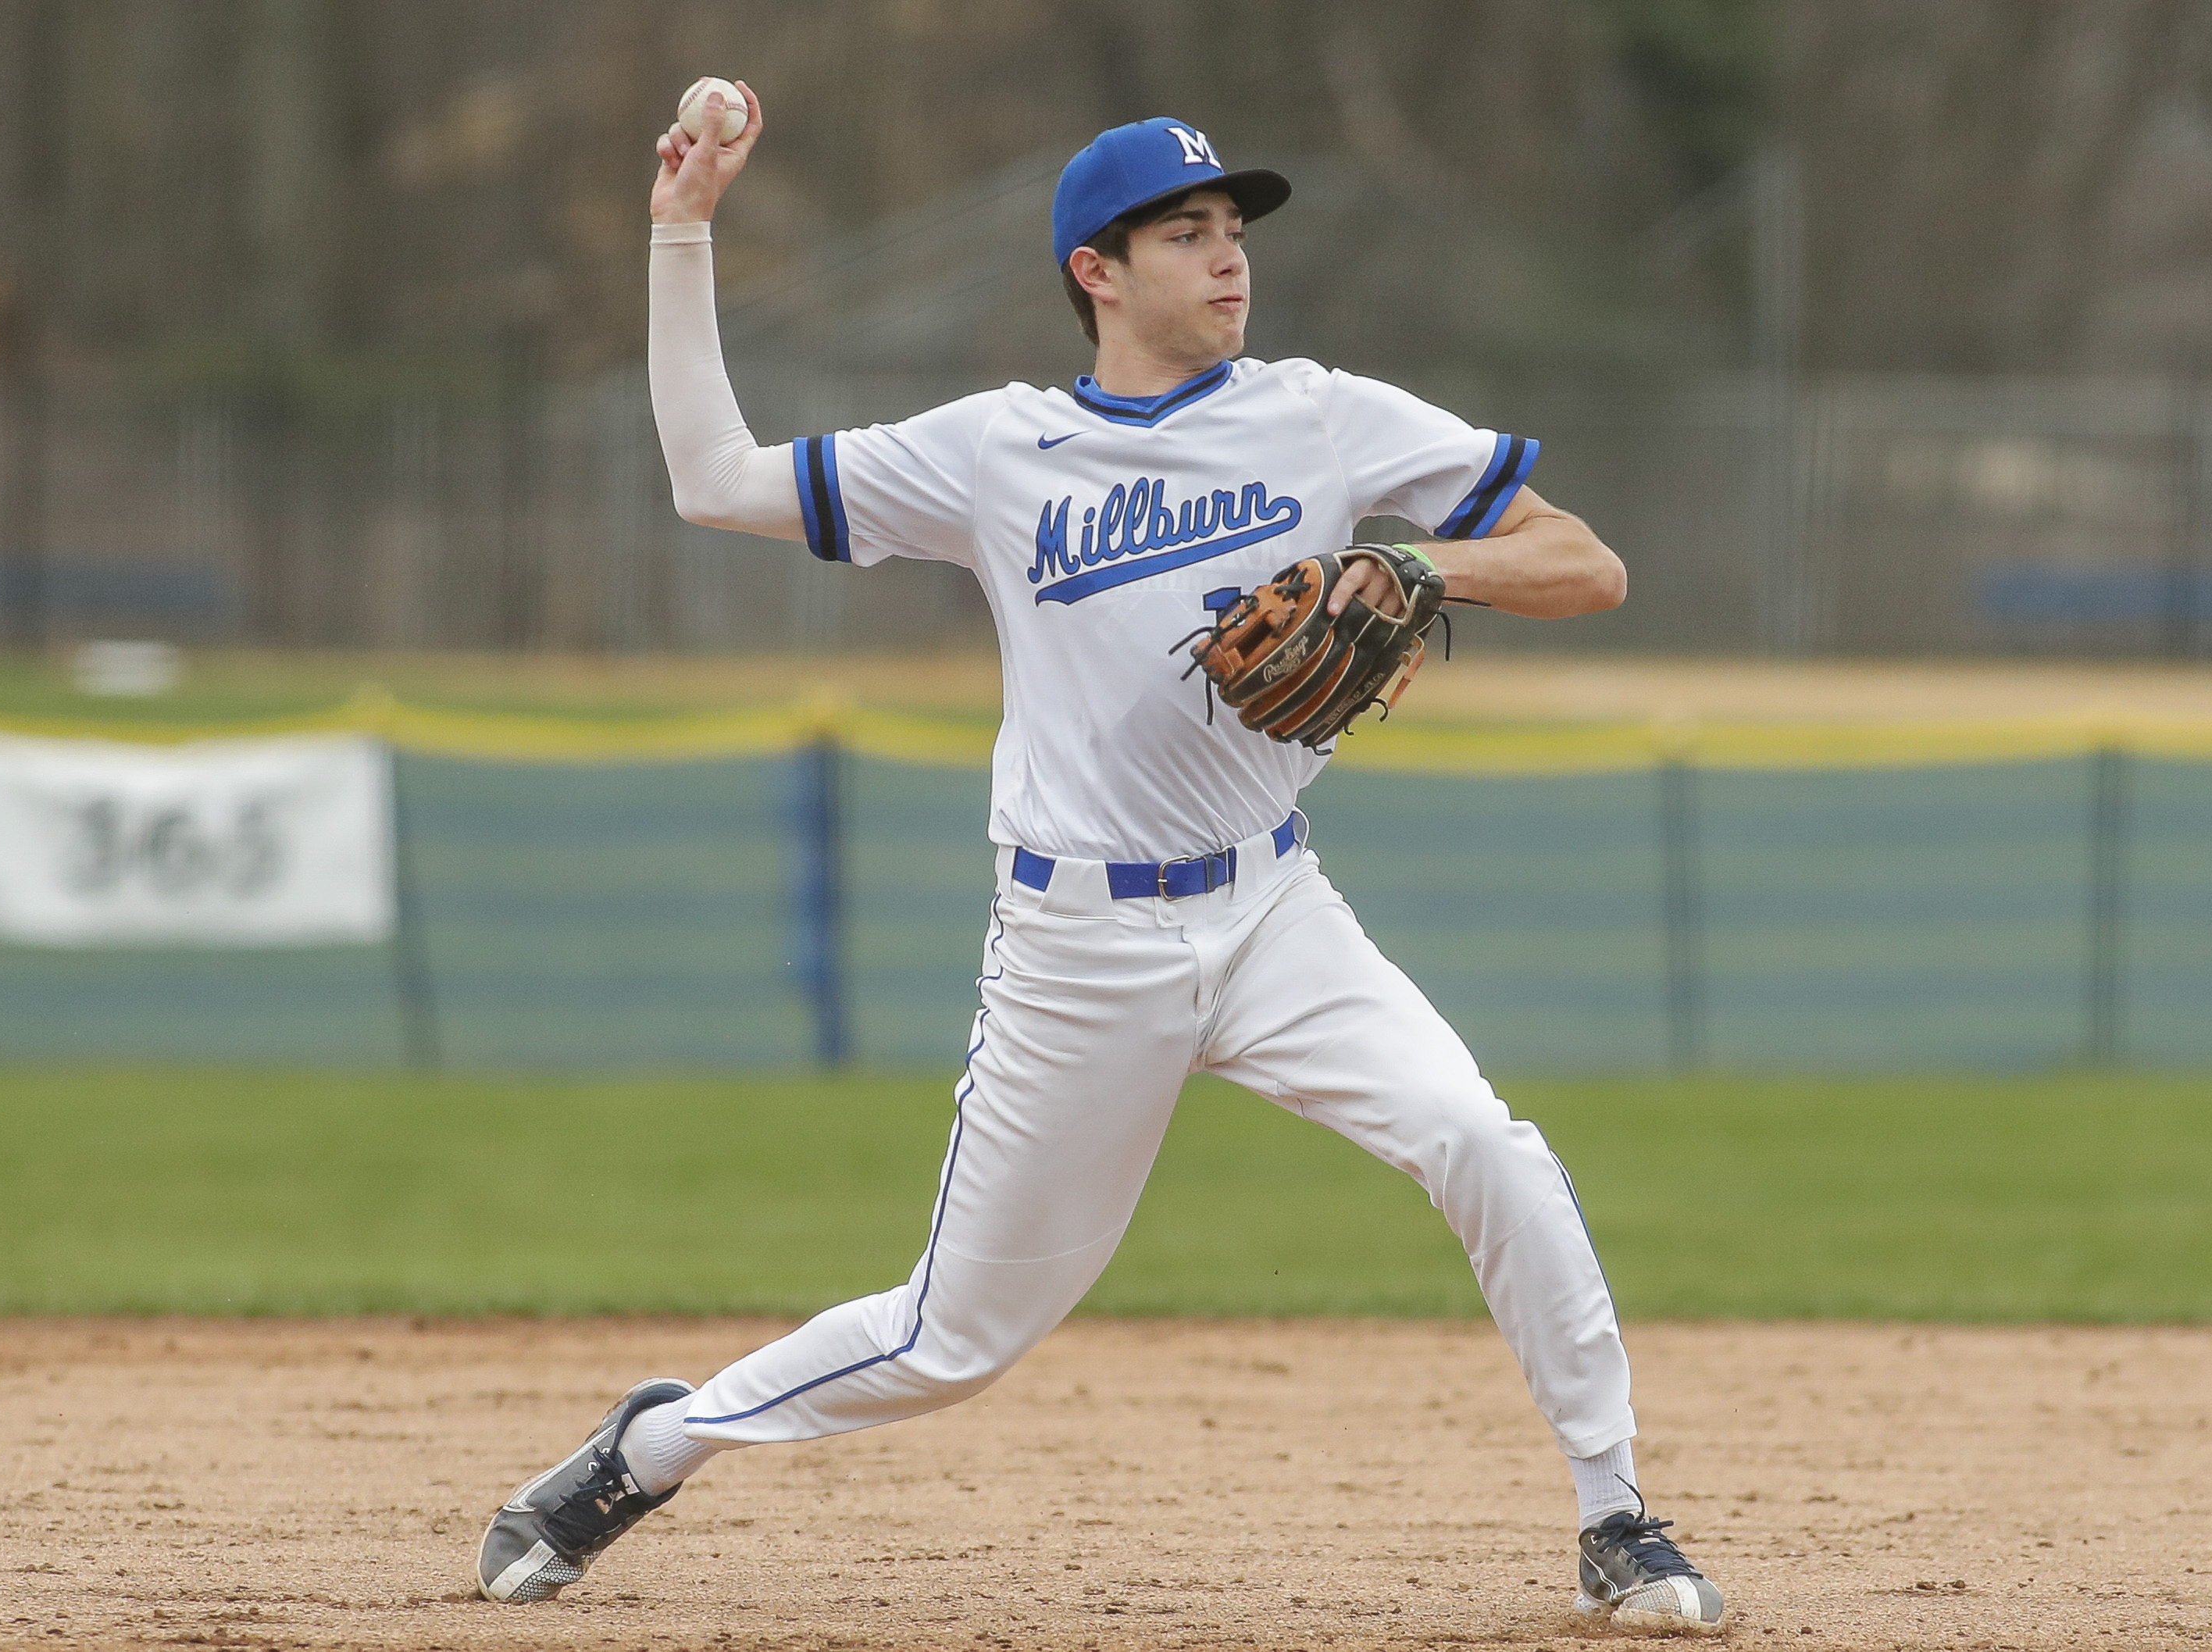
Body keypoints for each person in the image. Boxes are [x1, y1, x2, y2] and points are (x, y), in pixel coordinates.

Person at [475, 85, 1725, 1637]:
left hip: (1273, 905)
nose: (1227, 259)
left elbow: (1582, 562)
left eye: (1233, 231)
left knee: (1483, 1141)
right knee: (955, 1336)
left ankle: (1612, 1508)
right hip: (1077, 943)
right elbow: (712, 478)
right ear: (1096, 270)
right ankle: (649, 1447)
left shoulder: (1325, 414)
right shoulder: (1001, 450)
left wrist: (1414, 555)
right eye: (1185, 233)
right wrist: (680, 233)